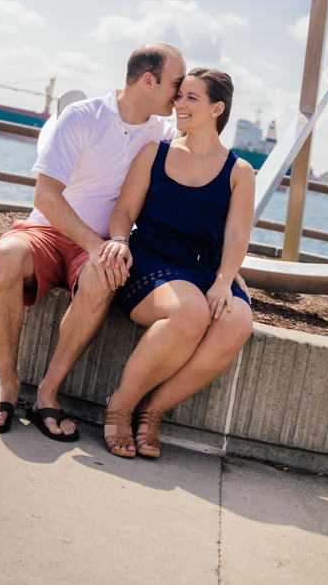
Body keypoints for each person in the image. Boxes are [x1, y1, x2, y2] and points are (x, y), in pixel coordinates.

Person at [0, 43, 188, 439]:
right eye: (177, 84)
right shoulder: (83, 116)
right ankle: (7, 384)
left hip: (97, 246)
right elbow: (45, 196)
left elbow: (204, 156)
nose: (180, 93)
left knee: (105, 274)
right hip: (48, 231)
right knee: (4, 254)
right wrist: (93, 244)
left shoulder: (164, 133)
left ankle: (47, 395)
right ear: (148, 80)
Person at [100, 67, 255, 458]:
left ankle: (153, 411)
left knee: (237, 321)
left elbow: (238, 235)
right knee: (189, 312)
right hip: (151, 260)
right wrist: (119, 241)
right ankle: (120, 405)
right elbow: (123, 211)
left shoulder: (239, 171)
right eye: (179, 95)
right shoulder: (156, 151)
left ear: (217, 108)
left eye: (191, 98)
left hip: (208, 268)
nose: (179, 104)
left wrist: (225, 280)